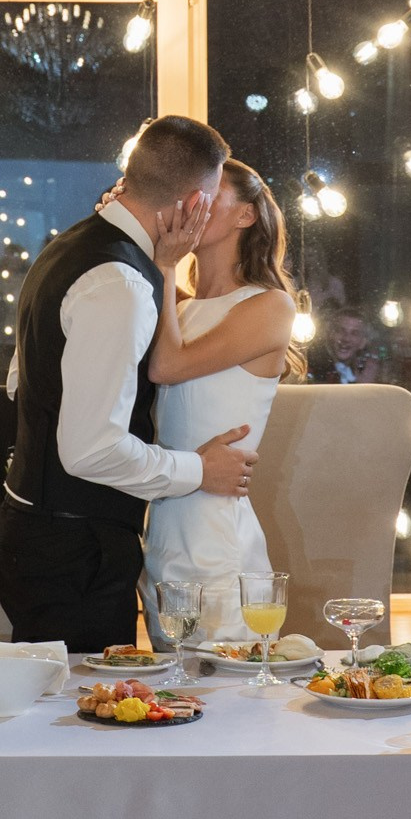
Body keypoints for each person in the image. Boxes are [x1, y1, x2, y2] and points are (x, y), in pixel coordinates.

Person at [0, 113, 253, 654]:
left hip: (38, 530)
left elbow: (22, 381)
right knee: (84, 727)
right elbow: (91, 452)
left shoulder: (69, 246)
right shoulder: (121, 283)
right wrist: (199, 469)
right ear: (190, 204)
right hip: (74, 547)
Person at [143, 161, 300, 639]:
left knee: (227, 693)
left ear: (245, 216)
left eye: (208, 194)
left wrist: (165, 265)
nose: (192, 204)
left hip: (216, 530)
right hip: (164, 526)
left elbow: (165, 367)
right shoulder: (180, 308)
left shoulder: (270, 306)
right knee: (171, 700)